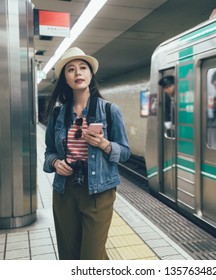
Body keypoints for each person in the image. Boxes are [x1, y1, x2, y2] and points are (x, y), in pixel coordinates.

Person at [43, 47, 130, 260]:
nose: (78, 73)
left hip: (99, 191)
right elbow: (49, 152)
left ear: (91, 75)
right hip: (65, 190)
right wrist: (55, 163)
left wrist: (105, 144)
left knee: (91, 255)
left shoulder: (109, 110)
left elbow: (125, 152)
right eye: (71, 69)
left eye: (83, 68)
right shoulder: (58, 114)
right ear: (65, 78)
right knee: (69, 255)